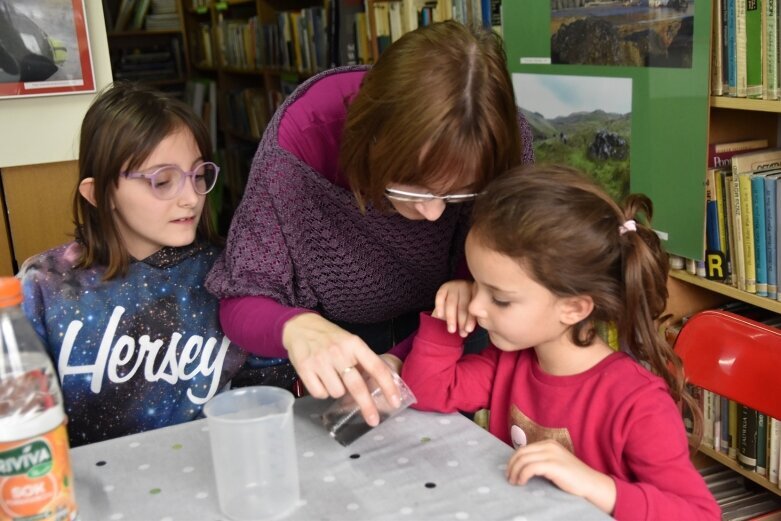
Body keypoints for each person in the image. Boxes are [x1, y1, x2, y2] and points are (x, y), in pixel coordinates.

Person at [205, 20, 534, 426]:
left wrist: (411, 352)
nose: (434, 214)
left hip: (453, 330)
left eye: (456, 196)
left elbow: (500, 276)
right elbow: (241, 300)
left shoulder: (498, 138)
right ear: (369, 139)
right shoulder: (299, 147)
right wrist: (295, 328)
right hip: (342, 337)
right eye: (413, 190)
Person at [401, 165, 720, 520]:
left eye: (500, 298)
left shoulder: (639, 405)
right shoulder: (509, 361)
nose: (476, 306)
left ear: (574, 308)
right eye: (475, 283)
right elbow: (425, 391)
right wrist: (449, 315)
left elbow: (699, 514)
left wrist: (595, 486)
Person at [18, 83, 253, 447]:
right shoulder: (44, 287)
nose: (191, 198)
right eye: (162, 181)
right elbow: (24, 422)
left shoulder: (234, 271)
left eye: (198, 174)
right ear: (99, 194)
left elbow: (271, 388)